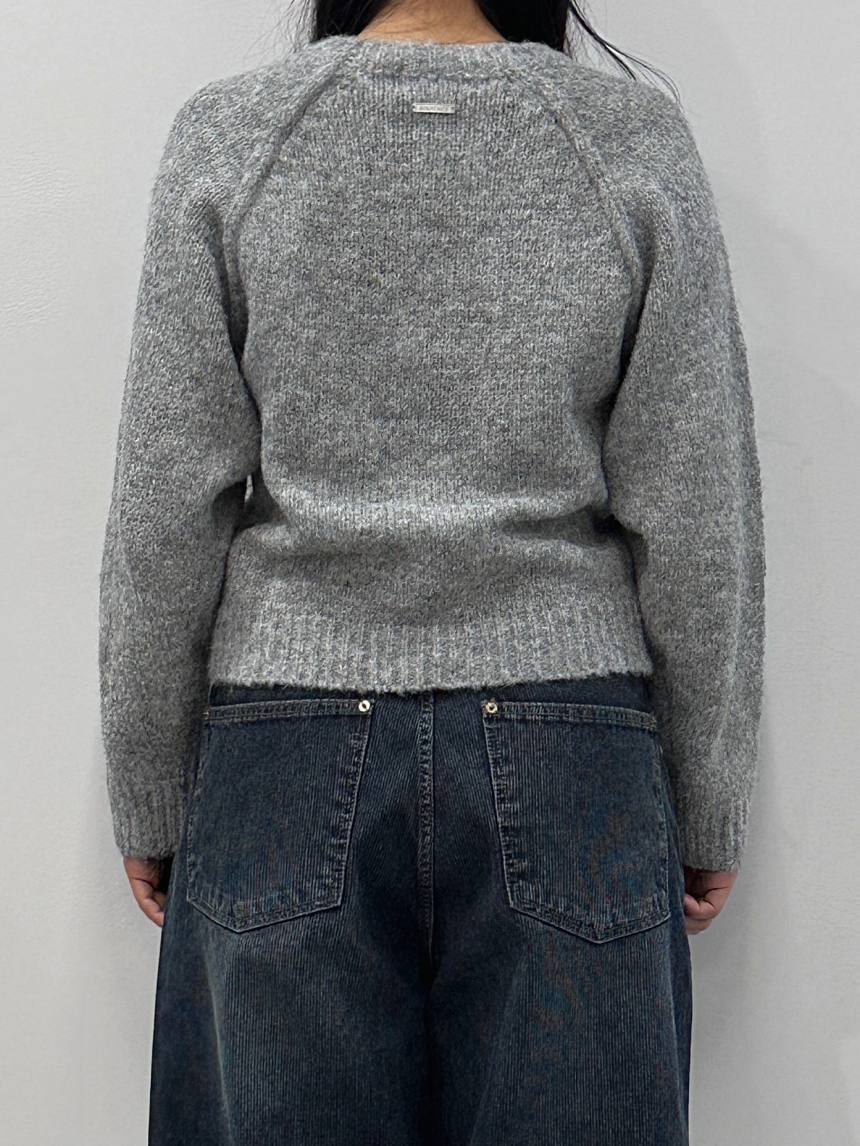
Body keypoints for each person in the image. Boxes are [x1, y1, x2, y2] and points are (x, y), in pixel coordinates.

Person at [99, 0, 766, 1141]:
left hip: (283, 753)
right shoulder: (626, 140)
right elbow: (697, 510)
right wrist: (705, 804)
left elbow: (164, 504)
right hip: (571, 758)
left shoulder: (233, 135)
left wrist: (151, 786)